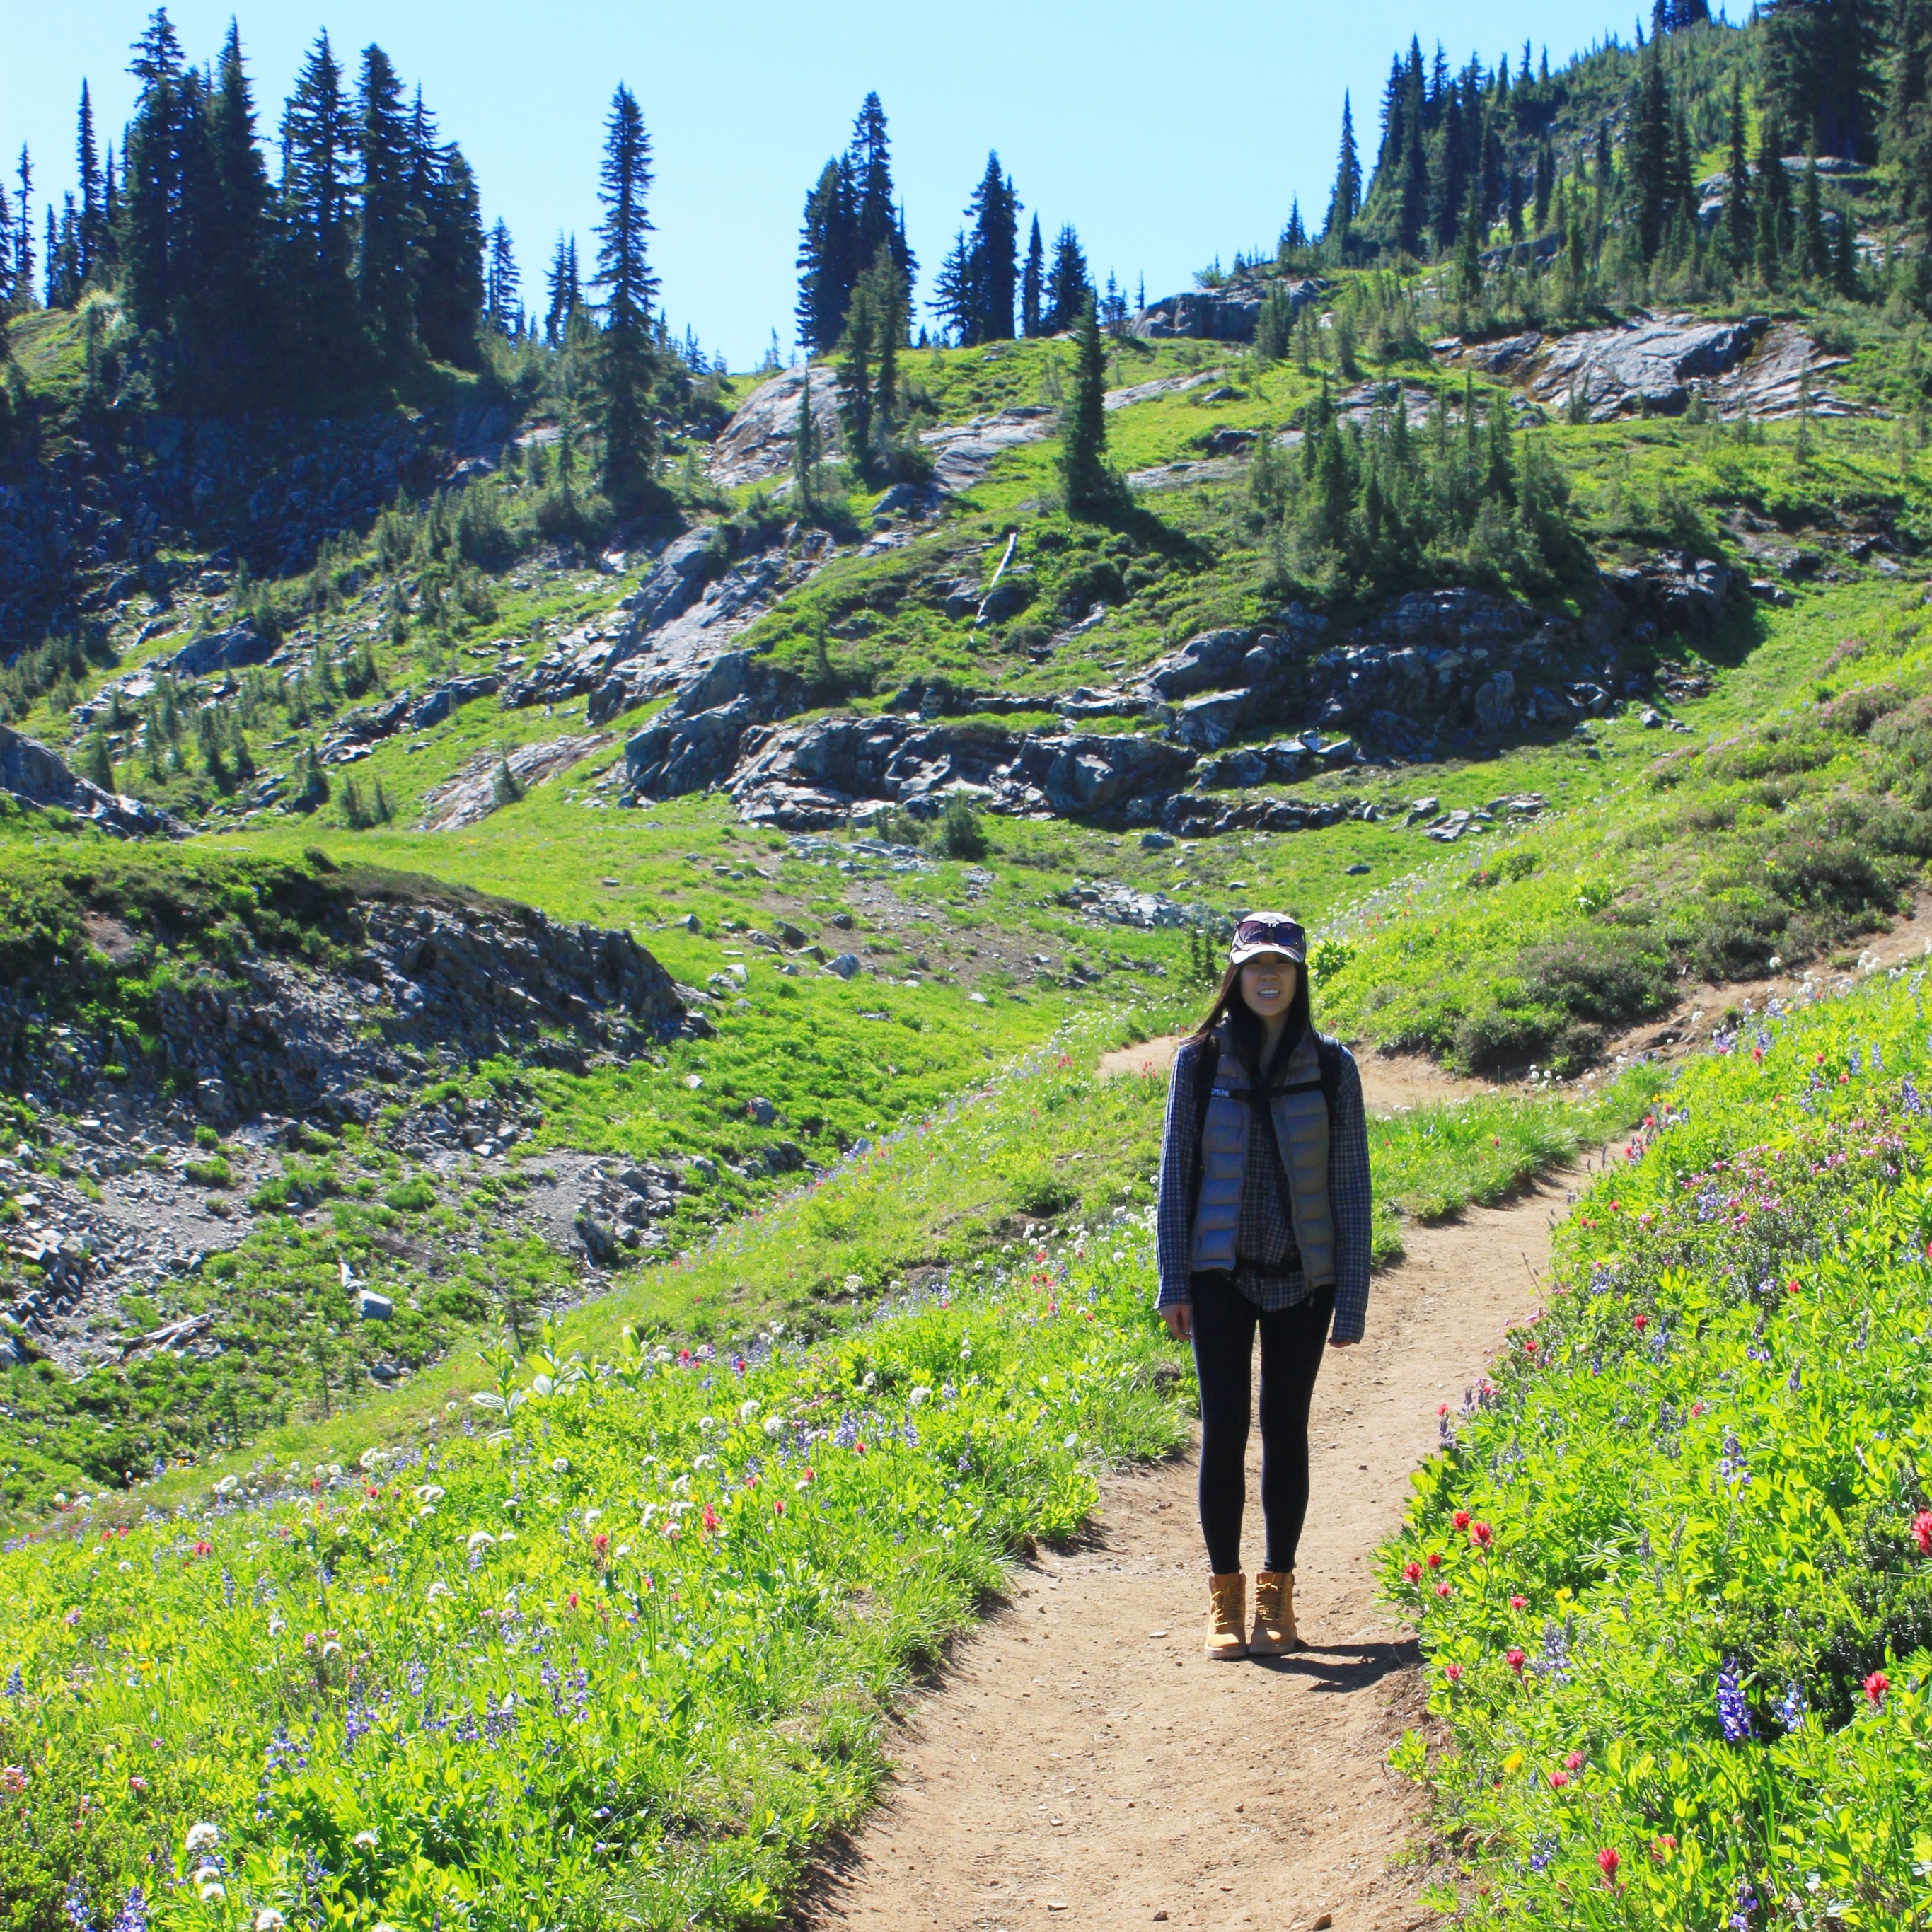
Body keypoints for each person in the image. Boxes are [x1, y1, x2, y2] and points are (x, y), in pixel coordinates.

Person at [1155, 913, 1371, 1659]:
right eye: (1254, 965)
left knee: (1285, 1430)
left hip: (1302, 1282)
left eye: (1280, 964)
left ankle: (1277, 1596)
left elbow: (1350, 1186)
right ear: (1235, 976)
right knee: (1223, 1431)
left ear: (1300, 975)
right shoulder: (1200, 1062)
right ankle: (1224, 1599)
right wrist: (1171, 1281)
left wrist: (1351, 1295)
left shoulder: (1333, 1066)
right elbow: (1174, 1177)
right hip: (1217, 1275)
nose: (1267, 976)